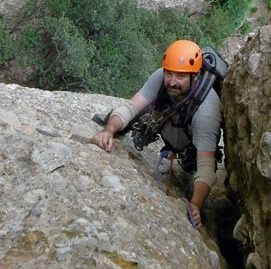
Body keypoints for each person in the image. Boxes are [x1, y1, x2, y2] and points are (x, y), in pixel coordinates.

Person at [92, 39, 222, 229]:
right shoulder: (160, 78)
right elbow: (132, 106)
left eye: (180, 76)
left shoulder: (206, 111)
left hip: (191, 141)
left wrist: (195, 205)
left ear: (195, 76)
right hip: (171, 120)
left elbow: (206, 165)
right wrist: (108, 131)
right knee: (144, 108)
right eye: (169, 73)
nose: (172, 82)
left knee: (194, 167)